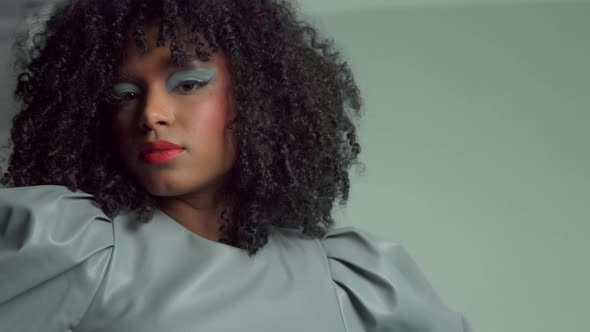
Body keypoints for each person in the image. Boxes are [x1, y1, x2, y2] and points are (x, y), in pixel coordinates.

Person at [0, 0, 471, 331]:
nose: (151, 114)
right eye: (124, 94)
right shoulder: (71, 251)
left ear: (257, 96)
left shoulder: (351, 279)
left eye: (187, 83)